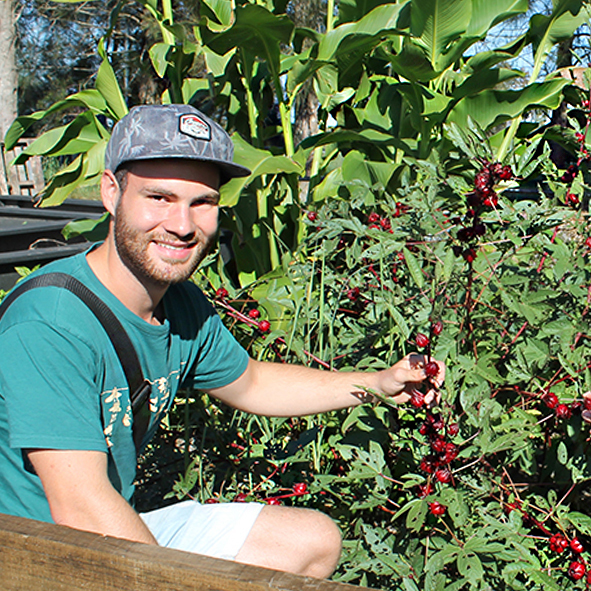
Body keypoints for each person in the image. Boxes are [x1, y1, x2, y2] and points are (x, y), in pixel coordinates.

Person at [0, 104, 445, 578]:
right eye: (160, 198)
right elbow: (81, 507)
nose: (183, 224)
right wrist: (172, 580)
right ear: (112, 193)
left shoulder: (180, 303)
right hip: (33, 553)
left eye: (202, 202)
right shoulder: (50, 322)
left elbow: (250, 382)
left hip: (103, 529)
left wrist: (377, 383)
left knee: (310, 542)